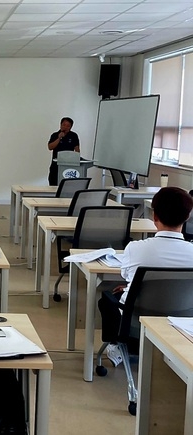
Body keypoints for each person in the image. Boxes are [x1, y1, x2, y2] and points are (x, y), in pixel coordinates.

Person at [99, 187, 193, 367]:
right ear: (187, 216)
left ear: (154, 216)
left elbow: (127, 276)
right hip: (182, 321)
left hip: (136, 319)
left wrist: (130, 287)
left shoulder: (136, 248)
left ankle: (118, 346)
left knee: (106, 299)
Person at [47, 117, 80, 186]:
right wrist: (59, 138)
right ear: (60, 125)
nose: (65, 127)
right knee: (53, 185)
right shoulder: (55, 135)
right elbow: (50, 147)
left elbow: (77, 150)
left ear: (71, 127)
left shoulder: (74, 136)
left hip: (68, 166)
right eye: (64, 125)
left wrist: (77, 161)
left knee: (66, 186)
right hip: (55, 166)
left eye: (68, 126)